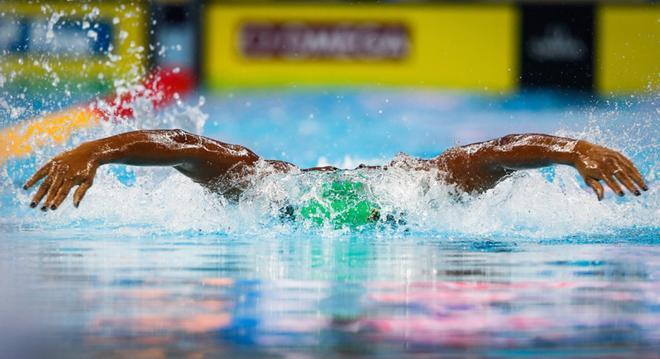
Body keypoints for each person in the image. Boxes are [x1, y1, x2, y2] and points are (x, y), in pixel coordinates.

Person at [23, 130, 647, 218]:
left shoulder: (421, 188)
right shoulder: (263, 188)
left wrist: (569, 148)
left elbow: (498, 151)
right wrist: (96, 150)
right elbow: (187, 146)